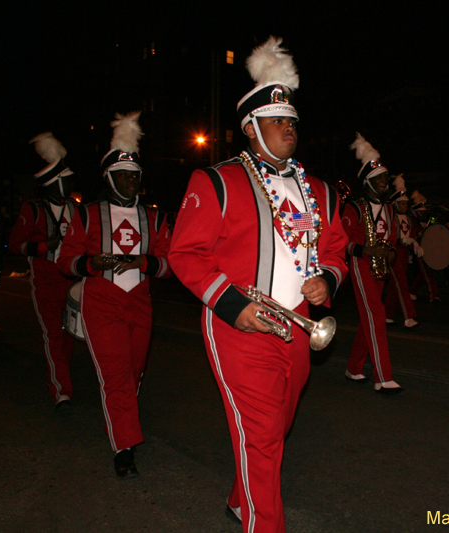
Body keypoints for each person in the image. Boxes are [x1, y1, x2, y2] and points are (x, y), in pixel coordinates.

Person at [168, 38, 348, 532]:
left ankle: (239, 496)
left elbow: (337, 251)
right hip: (240, 329)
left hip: (300, 327)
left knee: (274, 429)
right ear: (251, 128)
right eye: (277, 120)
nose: (289, 128)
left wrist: (324, 279)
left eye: (292, 120)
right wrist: (231, 307)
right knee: (264, 434)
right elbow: (184, 254)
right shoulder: (216, 182)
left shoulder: (321, 192)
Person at [57, 111, 172, 478]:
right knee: (118, 375)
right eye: (124, 175)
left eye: (136, 176)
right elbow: (65, 261)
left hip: (140, 300)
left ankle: (122, 418)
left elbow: (174, 264)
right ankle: (124, 448)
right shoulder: (88, 214)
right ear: (109, 177)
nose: (131, 181)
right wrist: (93, 261)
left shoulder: (154, 219)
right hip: (102, 300)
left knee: (134, 371)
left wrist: (145, 262)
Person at [8, 133, 79, 410]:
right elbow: (15, 245)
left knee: (69, 334)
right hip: (46, 280)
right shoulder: (33, 209)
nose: (71, 184)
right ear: (54, 183)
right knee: (52, 333)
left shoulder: (76, 208)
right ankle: (61, 390)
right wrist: (40, 246)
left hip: (72, 278)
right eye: (67, 180)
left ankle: (63, 379)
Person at [342, 133, 404, 394]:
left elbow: (391, 237)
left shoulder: (389, 209)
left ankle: (354, 367)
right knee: (377, 314)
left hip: (380, 266)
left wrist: (389, 252)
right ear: (367, 181)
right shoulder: (355, 208)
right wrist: (365, 249)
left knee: (370, 316)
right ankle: (383, 376)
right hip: (361, 263)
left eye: (385, 178)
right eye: (378, 178)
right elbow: (340, 242)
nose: (383, 182)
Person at [384, 175, 421, 328]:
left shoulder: (409, 219)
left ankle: (387, 315)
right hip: (394, 254)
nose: (405, 207)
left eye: (406, 204)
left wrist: (416, 244)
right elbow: (387, 237)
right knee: (402, 284)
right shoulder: (390, 218)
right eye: (402, 204)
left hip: (405, 254)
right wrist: (401, 241)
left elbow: (412, 234)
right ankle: (409, 317)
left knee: (396, 285)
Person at [409, 190, 440, 302]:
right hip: (418, 250)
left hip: (428, 249)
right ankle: (434, 295)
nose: (423, 215)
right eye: (421, 213)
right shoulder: (412, 222)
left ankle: (412, 291)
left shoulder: (427, 221)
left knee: (424, 273)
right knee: (427, 272)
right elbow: (412, 238)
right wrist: (420, 235)